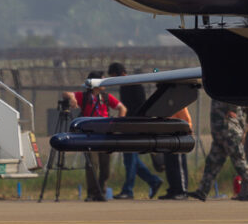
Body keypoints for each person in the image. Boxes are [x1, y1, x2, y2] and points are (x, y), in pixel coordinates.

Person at [63, 70, 128, 201]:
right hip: (89, 135)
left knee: (105, 166)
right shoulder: (84, 97)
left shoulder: (106, 97)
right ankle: (92, 193)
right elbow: (66, 93)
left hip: (105, 134)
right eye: (101, 80)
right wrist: (72, 98)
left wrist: (118, 125)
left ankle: (101, 191)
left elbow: (122, 108)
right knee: (92, 164)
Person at [107, 62, 163, 200]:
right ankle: (153, 181)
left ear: (117, 73)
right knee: (131, 159)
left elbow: (139, 106)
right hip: (130, 124)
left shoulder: (132, 85)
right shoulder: (128, 85)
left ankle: (128, 189)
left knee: (130, 158)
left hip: (133, 125)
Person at [188, 100, 248, 201]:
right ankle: (203, 190)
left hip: (229, 131)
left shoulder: (226, 85)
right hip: (220, 133)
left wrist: (232, 109)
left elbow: (233, 94)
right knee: (212, 162)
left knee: (239, 161)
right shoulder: (215, 88)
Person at [160, 105, 192, 199]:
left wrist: (183, 133)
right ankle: (173, 189)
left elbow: (187, 121)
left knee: (178, 164)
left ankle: (182, 191)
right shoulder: (163, 106)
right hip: (167, 138)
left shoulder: (180, 105)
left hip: (178, 138)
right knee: (170, 165)